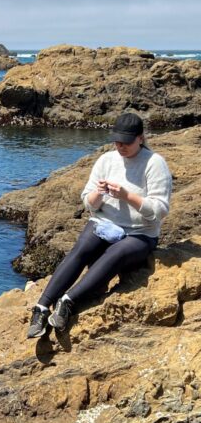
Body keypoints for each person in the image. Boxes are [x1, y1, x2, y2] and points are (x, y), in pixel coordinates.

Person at [27, 112, 172, 338]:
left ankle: (68, 301)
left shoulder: (154, 164)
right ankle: (42, 308)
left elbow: (160, 211)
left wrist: (126, 195)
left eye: (126, 142)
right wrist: (98, 194)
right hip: (105, 222)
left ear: (141, 138)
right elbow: (89, 203)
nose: (120, 146)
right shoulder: (107, 160)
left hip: (140, 232)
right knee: (82, 248)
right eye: (117, 141)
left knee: (115, 254)